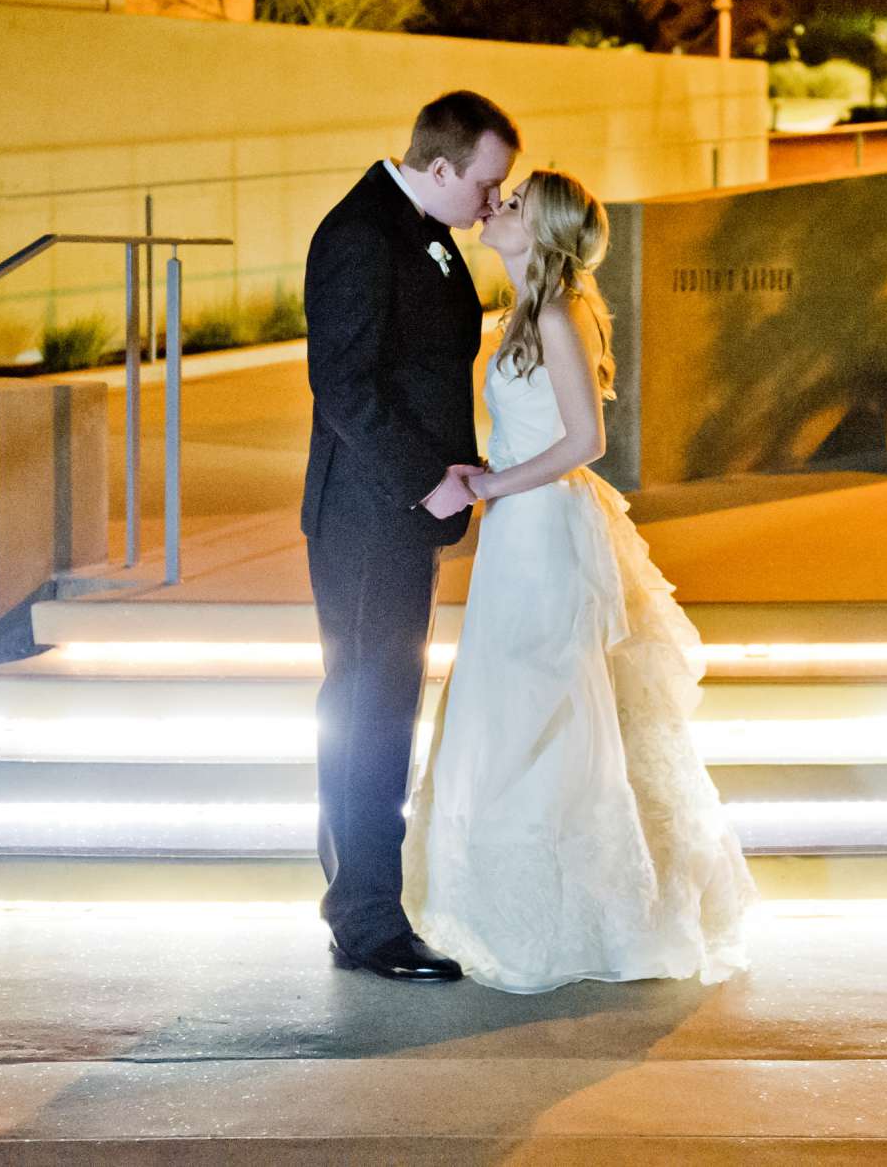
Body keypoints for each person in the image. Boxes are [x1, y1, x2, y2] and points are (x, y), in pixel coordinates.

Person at [402, 169, 755, 993]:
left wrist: (493, 484)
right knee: (515, 708)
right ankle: (510, 909)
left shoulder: (557, 316)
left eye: (515, 203)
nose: (498, 205)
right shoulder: (527, 313)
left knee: (547, 709)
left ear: (545, 232)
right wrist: (497, 477)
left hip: (543, 533)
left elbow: (587, 441)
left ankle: (583, 920)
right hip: (519, 531)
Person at [303, 90, 518, 983]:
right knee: (369, 711)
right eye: (485, 183)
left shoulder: (417, 227)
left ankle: (363, 898)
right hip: (367, 516)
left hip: (398, 516)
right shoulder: (361, 234)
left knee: (381, 705)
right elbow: (344, 386)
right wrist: (427, 479)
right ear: (440, 169)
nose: (493, 202)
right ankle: (366, 922)